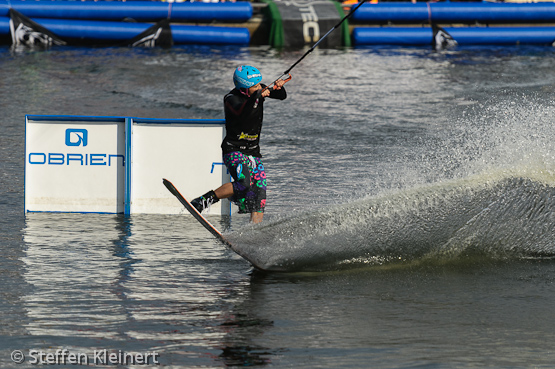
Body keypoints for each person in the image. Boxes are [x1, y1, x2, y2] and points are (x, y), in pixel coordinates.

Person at [190, 65, 288, 224]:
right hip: (233, 150)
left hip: (253, 152)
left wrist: (278, 87)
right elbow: (243, 111)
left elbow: (281, 96)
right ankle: (202, 201)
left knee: (259, 197)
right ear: (243, 88)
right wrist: (258, 97)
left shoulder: (257, 91)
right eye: (254, 86)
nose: (259, 87)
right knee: (244, 184)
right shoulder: (231, 99)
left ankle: (253, 234)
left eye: (259, 84)